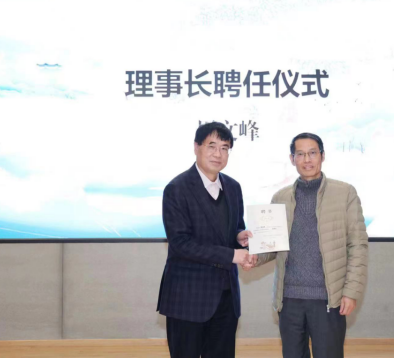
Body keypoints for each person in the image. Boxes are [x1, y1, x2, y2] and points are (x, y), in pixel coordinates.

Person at [251, 132, 368, 358]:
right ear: (292, 158)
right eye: (300, 154)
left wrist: (351, 292)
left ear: (322, 156)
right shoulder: (280, 197)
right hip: (289, 299)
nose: (307, 160)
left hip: (329, 299)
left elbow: (358, 246)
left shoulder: (345, 193)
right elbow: (273, 246)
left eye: (312, 153)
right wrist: (254, 254)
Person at [157, 122, 254, 358]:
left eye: (224, 148)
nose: (218, 154)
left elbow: (234, 228)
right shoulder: (177, 188)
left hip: (226, 298)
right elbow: (181, 243)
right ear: (196, 147)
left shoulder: (233, 187)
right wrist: (232, 255)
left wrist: (239, 236)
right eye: (211, 146)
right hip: (188, 298)